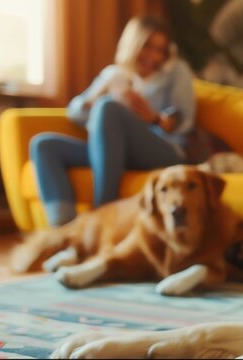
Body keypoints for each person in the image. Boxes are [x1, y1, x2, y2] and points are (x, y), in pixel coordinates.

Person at [30, 16, 197, 227]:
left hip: (162, 149)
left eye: (160, 50)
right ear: (132, 44)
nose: (154, 56)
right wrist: (95, 99)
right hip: (114, 151)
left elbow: (184, 120)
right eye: (147, 46)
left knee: (109, 107)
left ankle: (103, 216)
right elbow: (74, 112)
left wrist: (152, 118)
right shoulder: (114, 75)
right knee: (43, 145)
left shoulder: (175, 72)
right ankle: (64, 229)